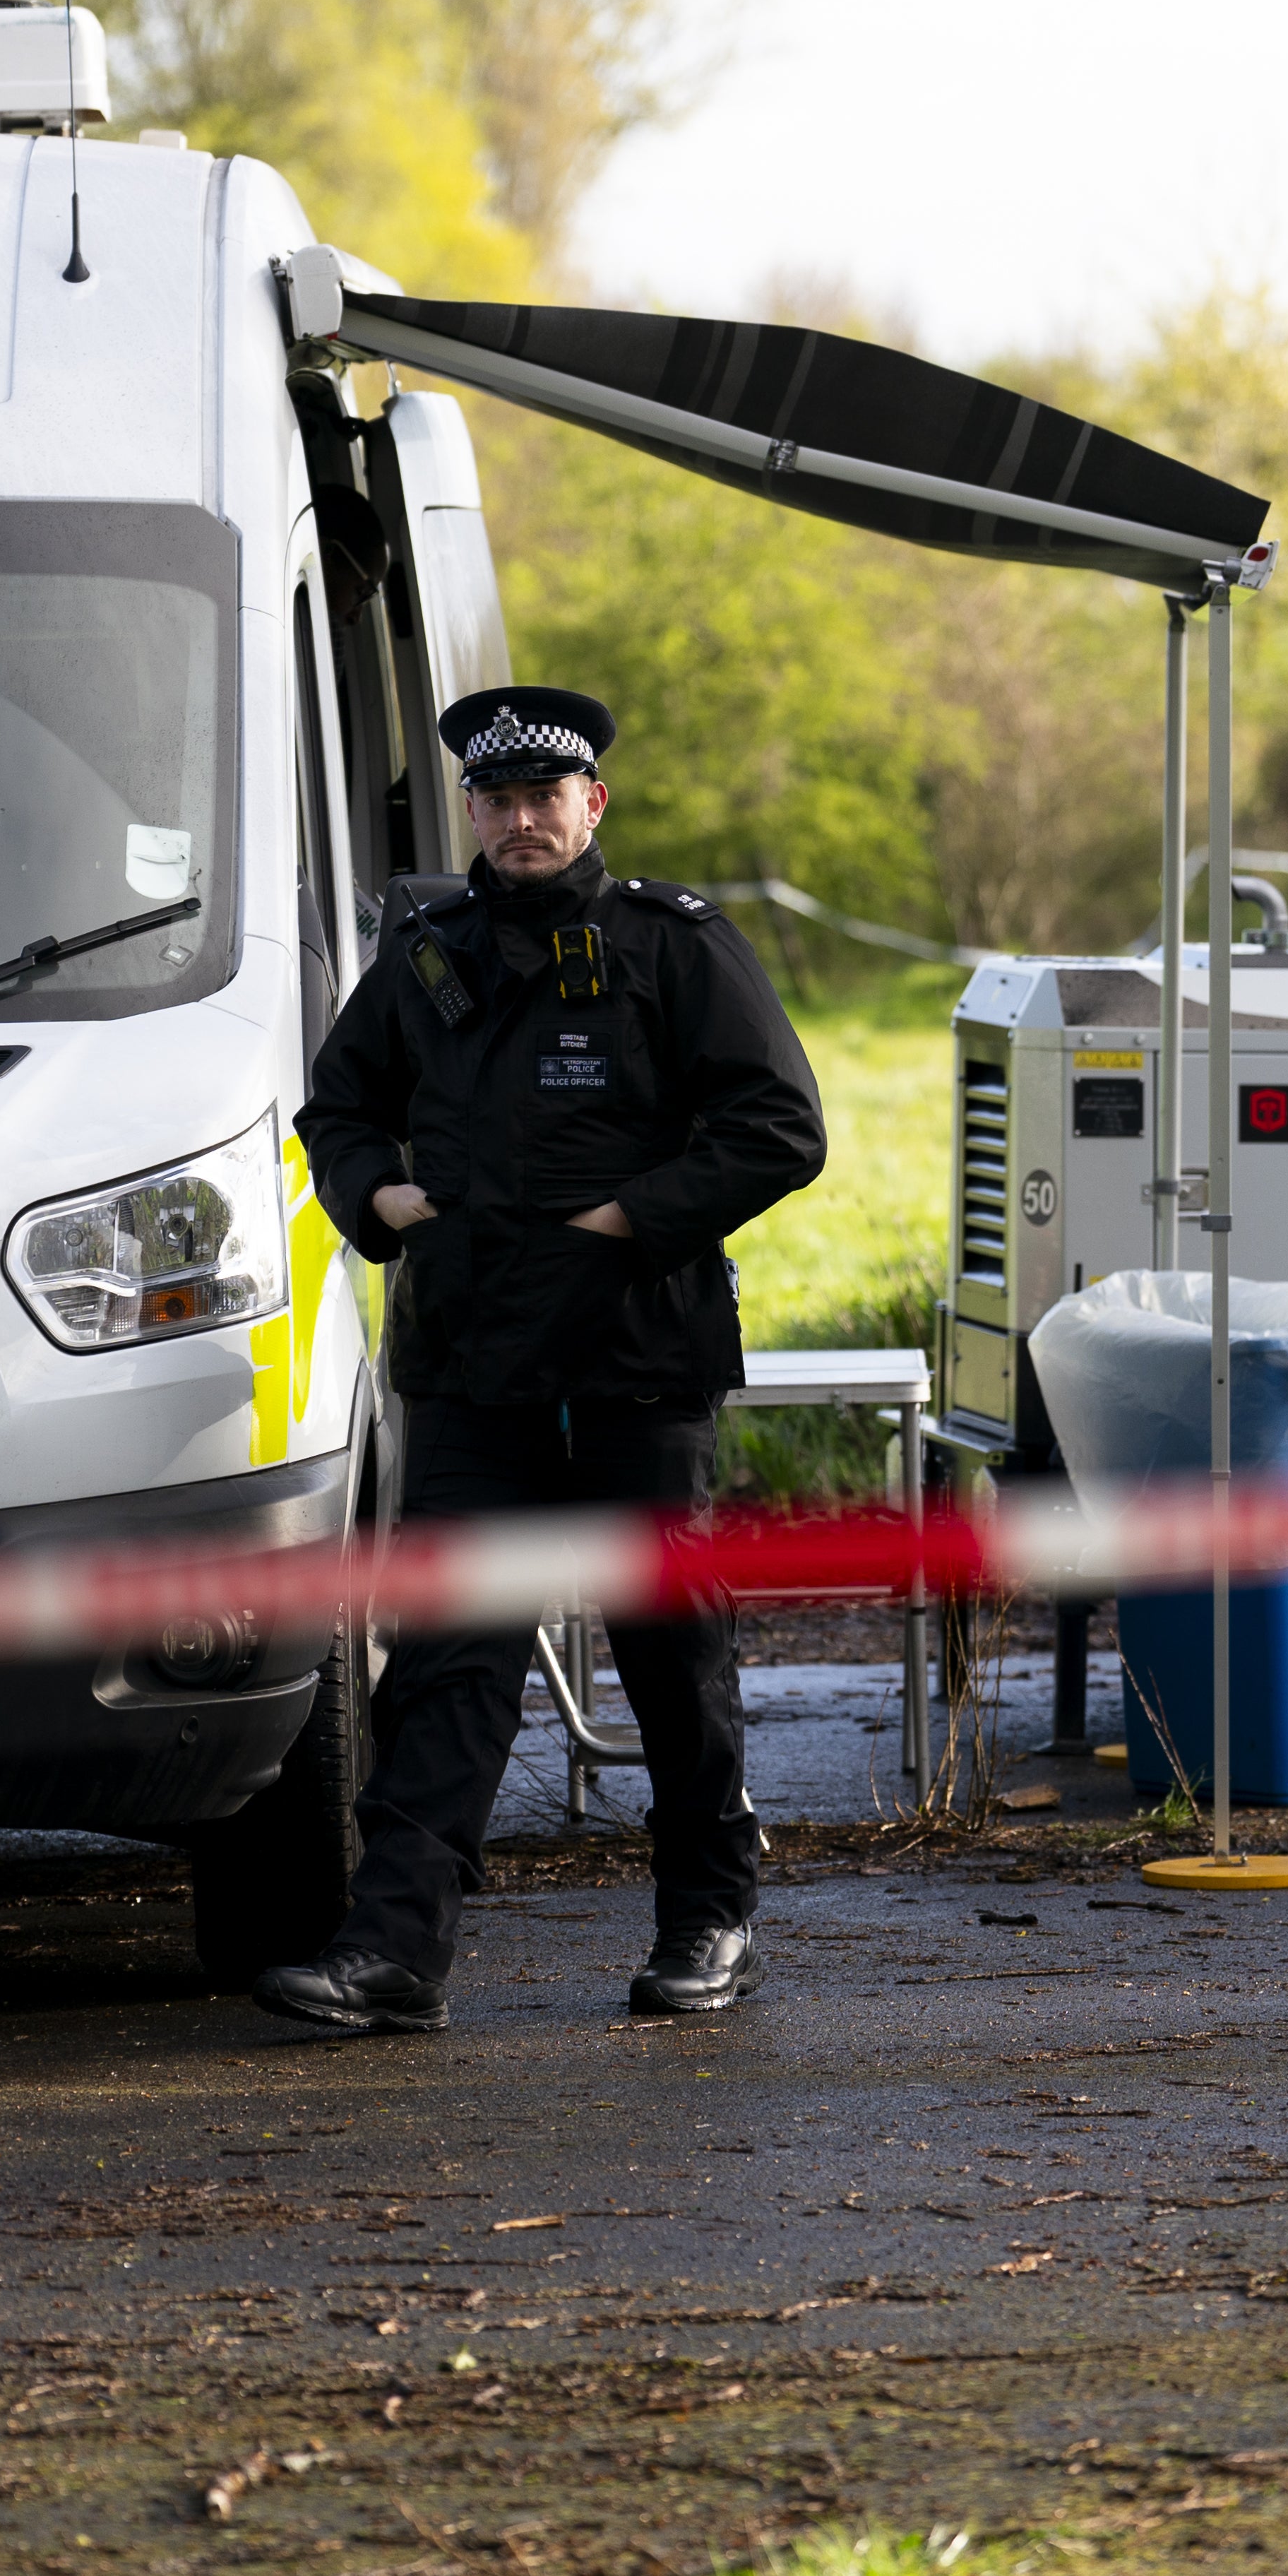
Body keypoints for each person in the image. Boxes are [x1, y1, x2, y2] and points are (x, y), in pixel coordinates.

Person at [266, 683, 829, 2034]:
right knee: (452, 1666)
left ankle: (710, 1923)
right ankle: (394, 1953)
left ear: (593, 805)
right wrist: (379, 1202)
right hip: (469, 1375)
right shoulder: (425, 960)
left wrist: (637, 1216)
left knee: (670, 1657)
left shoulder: (673, 947)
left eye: (545, 798)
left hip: (636, 1367)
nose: (521, 821)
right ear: (472, 809)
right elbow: (336, 1110)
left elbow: (779, 1128)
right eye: (497, 799)